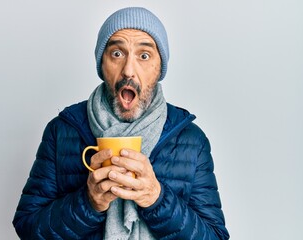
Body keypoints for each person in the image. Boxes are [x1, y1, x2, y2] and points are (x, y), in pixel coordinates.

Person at [13, 7, 229, 240]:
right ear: (101, 65)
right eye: (117, 53)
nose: (128, 70)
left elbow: (215, 236)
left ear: (160, 68)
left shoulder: (191, 140)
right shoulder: (62, 131)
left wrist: (156, 199)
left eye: (144, 56)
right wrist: (88, 203)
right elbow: (28, 227)